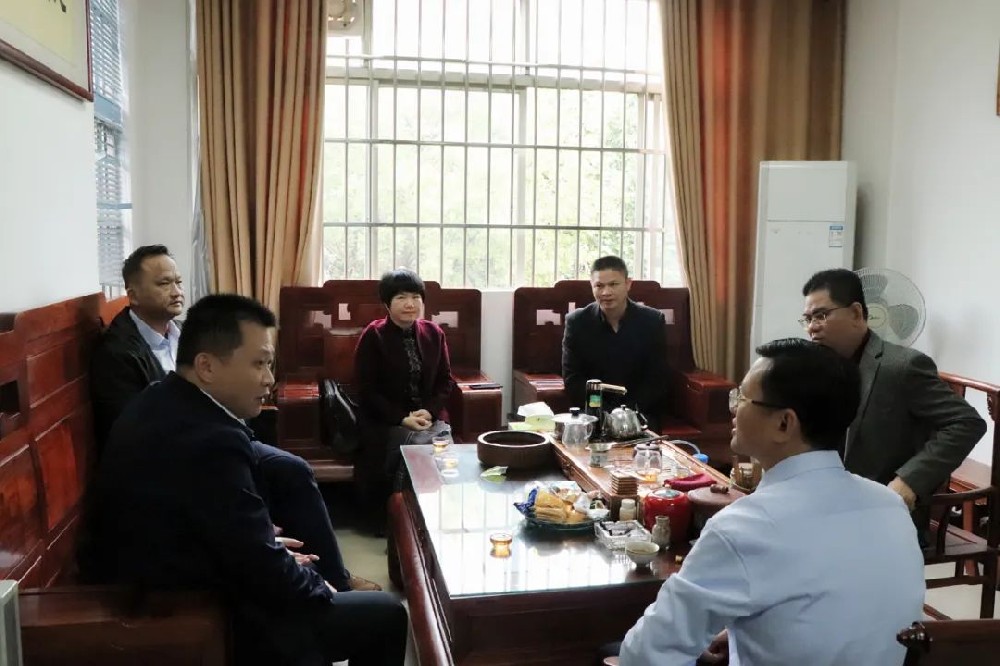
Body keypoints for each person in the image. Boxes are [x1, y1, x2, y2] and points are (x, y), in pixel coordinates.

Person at [89, 294, 408, 666]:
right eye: (259, 364)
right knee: (387, 613)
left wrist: (268, 546)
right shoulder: (212, 442)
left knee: (290, 485)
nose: (269, 380)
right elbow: (259, 569)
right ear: (207, 366)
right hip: (191, 604)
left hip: (172, 570)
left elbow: (225, 529)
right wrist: (315, 584)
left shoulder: (160, 398)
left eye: (270, 364)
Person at [609, 338, 925, 666]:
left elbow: (645, 656)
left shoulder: (744, 527)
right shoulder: (890, 506)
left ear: (784, 423)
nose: (733, 408)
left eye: (743, 397)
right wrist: (751, 629)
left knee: (613, 650)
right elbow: (845, 611)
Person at [89, 245, 378, 591]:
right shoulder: (119, 352)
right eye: (164, 283)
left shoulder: (183, 332)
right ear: (133, 294)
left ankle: (333, 575)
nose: (176, 291)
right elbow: (146, 444)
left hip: (206, 436)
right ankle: (305, 574)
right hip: (177, 457)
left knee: (293, 468)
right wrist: (252, 541)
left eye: (178, 281)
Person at [801, 268, 985, 536]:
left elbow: (966, 422)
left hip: (881, 515)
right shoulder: (820, 368)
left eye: (821, 315)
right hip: (825, 505)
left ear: (856, 313)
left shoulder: (902, 367)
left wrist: (909, 481)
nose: (811, 327)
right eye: (807, 319)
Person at [353, 269, 456, 523]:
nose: (410, 304)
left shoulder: (434, 333)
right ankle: (405, 518)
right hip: (385, 421)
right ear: (387, 303)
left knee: (436, 443)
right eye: (401, 297)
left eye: (415, 297)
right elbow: (366, 389)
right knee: (421, 445)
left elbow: (446, 381)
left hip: (428, 418)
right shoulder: (374, 336)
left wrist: (429, 411)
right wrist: (402, 418)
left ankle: (426, 514)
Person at [562, 255, 668, 432]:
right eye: (599, 286)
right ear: (591, 286)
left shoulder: (652, 320)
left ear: (628, 284)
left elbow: (657, 377)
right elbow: (573, 379)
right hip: (593, 413)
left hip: (639, 413)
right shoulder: (577, 322)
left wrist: (628, 412)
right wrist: (604, 413)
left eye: (613, 284)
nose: (606, 292)